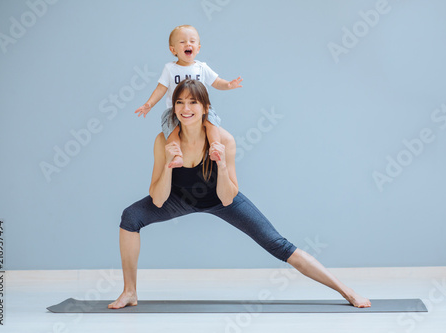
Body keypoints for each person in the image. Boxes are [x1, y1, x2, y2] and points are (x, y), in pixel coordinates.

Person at [109, 79, 371, 309]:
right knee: (130, 217)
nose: (185, 109)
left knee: (279, 245)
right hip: (178, 198)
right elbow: (157, 198)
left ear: (205, 108)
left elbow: (226, 197)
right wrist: (168, 166)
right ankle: (130, 291)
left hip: (219, 199)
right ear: (173, 108)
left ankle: (345, 290)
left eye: (192, 103)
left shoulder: (224, 139)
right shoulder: (163, 141)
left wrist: (221, 165)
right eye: (179, 102)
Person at [134, 24, 243, 168]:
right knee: (173, 131)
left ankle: (215, 147)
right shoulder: (170, 69)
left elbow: (216, 82)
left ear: (198, 48)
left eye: (192, 41)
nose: (188, 44)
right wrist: (149, 104)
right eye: (182, 41)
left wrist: (228, 85)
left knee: (211, 124)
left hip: (201, 109)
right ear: (173, 50)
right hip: (175, 110)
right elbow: (161, 88)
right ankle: (178, 156)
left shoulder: (201, 67)